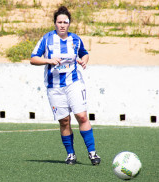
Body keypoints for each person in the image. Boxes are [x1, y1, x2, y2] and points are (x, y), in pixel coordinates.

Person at [30, 6, 101, 165]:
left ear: (69, 24)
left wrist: (84, 60)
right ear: (54, 23)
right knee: (64, 121)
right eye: (59, 22)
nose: (62, 25)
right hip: (54, 87)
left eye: (65, 22)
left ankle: (92, 153)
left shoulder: (75, 39)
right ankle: (71, 154)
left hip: (73, 83)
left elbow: (84, 53)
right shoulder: (47, 39)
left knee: (81, 116)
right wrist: (48, 60)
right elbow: (33, 59)